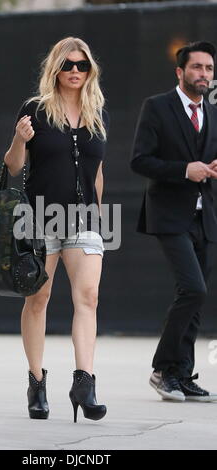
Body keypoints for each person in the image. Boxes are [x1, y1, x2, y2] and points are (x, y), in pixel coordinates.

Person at [4, 37, 109, 422]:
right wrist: (20, 138)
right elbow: (14, 166)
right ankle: (36, 382)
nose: (75, 71)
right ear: (56, 68)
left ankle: (85, 381)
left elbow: (98, 172)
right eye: (68, 65)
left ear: (90, 69)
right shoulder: (35, 109)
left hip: (84, 220)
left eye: (82, 65)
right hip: (40, 217)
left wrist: (98, 217)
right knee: (38, 299)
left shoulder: (98, 112)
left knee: (89, 297)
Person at [131, 41, 217, 402]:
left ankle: (181, 374)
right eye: (197, 67)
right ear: (180, 72)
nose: (204, 74)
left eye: (209, 69)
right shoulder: (157, 107)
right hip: (169, 214)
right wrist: (185, 170)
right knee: (193, 290)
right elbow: (140, 161)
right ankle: (164, 369)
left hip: (206, 215)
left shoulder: (213, 111)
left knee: (195, 299)